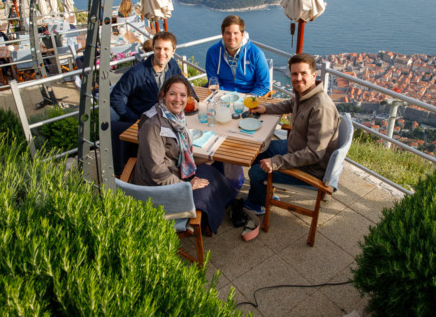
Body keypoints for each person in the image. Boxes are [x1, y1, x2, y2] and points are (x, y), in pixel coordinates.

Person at [133, 76, 237, 234]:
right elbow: (158, 174)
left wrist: (213, 156)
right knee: (209, 186)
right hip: (157, 191)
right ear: (163, 95)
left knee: (215, 172)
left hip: (175, 172)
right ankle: (200, 222)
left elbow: (182, 154)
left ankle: (208, 220)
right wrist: (187, 185)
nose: (178, 99)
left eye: (183, 95)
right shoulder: (152, 126)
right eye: (172, 94)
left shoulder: (176, 118)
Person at [244, 53, 341, 214]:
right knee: (259, 150)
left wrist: (276, 162)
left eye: (303, 73)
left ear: (314, 75)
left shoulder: (321, 108)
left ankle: (258, 204)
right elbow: (290, 104)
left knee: (255, 171)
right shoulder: (305, 93)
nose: (298, 78)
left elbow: (313, 154)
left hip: (310, 169)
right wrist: (266, 108)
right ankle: (264, 191)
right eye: (294, 74)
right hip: (295, 149)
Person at [110, 31, 196, 123]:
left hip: (167, 117)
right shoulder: (136, 73)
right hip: (146, 121)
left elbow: (184, 82)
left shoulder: (172, 65)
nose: (161, 53)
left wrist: (194, 99)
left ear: (173, 51)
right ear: (153, 49)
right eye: (158, 48)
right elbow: (116, 97)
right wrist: (134, 120)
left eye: (166, 49)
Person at [205, 15, 270, 96]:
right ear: (223, 34)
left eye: (236, 33)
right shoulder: (212, 52)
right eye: (228, 33)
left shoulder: (256, 54)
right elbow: (213, 82)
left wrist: (247, 99)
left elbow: (263, 85)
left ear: (242, 35)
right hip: (222, 97)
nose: (232, 37)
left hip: (248, 97)